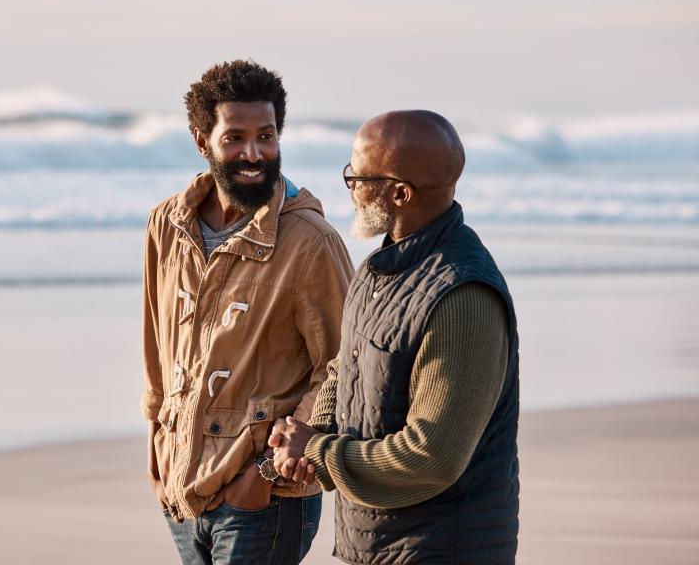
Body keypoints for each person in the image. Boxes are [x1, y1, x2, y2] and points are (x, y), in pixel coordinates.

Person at [269, 110, 520, 564]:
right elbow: (345, 368)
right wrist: (313, 432)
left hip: (442, 549)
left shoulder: (462, 298)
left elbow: (431, 457)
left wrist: (319, 452)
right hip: (377, 545)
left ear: (400, 193)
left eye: (358, 177)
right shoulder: (378, 269)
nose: (351, 189)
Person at [140, 60, 354, 564]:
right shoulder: (167, 225)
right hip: (182, 487)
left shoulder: (311, 243)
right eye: (234, 137)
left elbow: (345, 365)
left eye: (267, 136)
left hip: (262, 498)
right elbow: (157, 339)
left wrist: (262, 475)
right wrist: (157, 448)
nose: (253, 153)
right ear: (202, 140)